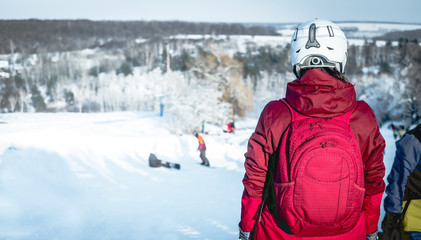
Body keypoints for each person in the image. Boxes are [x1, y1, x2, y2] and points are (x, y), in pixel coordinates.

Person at [239, 18, 385, 240]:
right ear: (340, 56)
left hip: (279, 232)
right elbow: (374, 180)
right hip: (348, 233)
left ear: (296, 58)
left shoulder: (276, 113)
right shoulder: (361, 116)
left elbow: (255, 177)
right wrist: (371, 229)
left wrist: (247, 226)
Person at [382, 124, 421, 240]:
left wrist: (391, 220)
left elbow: (398, 181)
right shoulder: (415, 139)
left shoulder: (414, 139)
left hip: (414, 223)